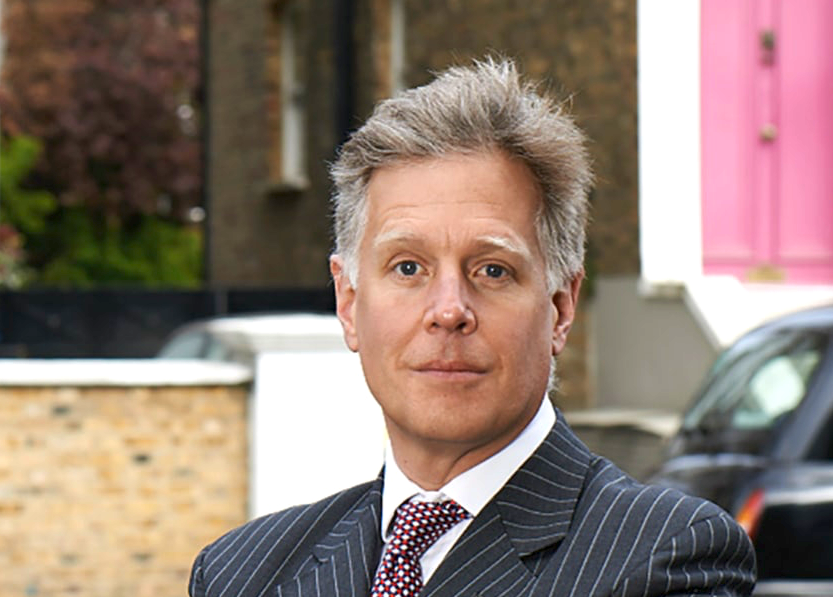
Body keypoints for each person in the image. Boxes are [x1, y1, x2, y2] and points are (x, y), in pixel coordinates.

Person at [188, 57, 756, 597]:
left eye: (492, 270)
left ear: (560, 307)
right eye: (407, 268)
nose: (449, 310)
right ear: (349, 301)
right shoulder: (242, 573)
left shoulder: (665, 557)